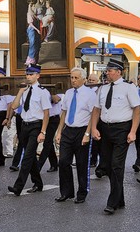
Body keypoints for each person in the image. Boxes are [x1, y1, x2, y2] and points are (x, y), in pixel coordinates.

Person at [90, 59, 140, 214]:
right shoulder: (102, 89)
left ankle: (112, 202)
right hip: (105, 129)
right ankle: (120, 199)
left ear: (119, 72)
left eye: (110, 70)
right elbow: (96, 110)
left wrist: (133, 131)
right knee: (108, 165)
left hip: (122, 129)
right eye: (107, 70)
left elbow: (137, 110)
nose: (107, 73)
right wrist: (93, 128)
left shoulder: (128, 88)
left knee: (116, 165)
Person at [8, 64, 51, 196]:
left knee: (27, 157)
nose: (28, 76)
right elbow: (14, 106)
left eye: (31, 74)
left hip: (36, 125)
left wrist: (43, 132)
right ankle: (38, 183)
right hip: (24, 125)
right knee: (30, 156)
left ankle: (18, 187)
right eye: (27, 74)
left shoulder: (43, 92)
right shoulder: (25, 90)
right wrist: (20, 91)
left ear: (38, 75)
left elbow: (46, 113)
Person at [54, 67, 95, 203]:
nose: (73, 80)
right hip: (68, 130)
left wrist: (88, 133)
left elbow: (93, 115)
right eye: (72, 77)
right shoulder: (69, 93)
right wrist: (59, 131)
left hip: (82, 130)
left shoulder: (89, 94)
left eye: (76, 78)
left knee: (81, 163)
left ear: (83, 79)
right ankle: (66, 192)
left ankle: (82, 192)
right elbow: (64, 113)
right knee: (64, 161)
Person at [37, 91, 61, 173]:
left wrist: (51, 91)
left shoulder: (57, 89)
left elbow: (56, 99)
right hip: (43, 119)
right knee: (49, 143)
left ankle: (38, 166)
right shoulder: (41, 90)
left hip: (53, 118)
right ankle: (54, 164)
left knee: (47, 142)